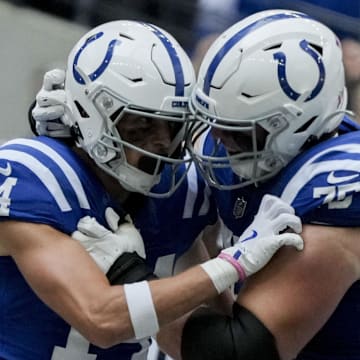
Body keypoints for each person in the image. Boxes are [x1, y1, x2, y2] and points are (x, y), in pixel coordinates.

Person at [0, 19, 304, 359]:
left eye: (172, 126)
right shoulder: (34, 176)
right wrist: (231, 263)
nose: (160, 142)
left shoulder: (181, 194)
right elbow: (99, 318)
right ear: (89, 113)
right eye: (142, 123)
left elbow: (212, 343)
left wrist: (134, 274)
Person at [182, 8, 360, 360]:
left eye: (236, 129)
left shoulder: (336, 191)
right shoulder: (239, 138)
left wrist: (136, 274)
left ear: (300, 121)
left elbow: (235, 352)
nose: (217, 138)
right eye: (216, 121)